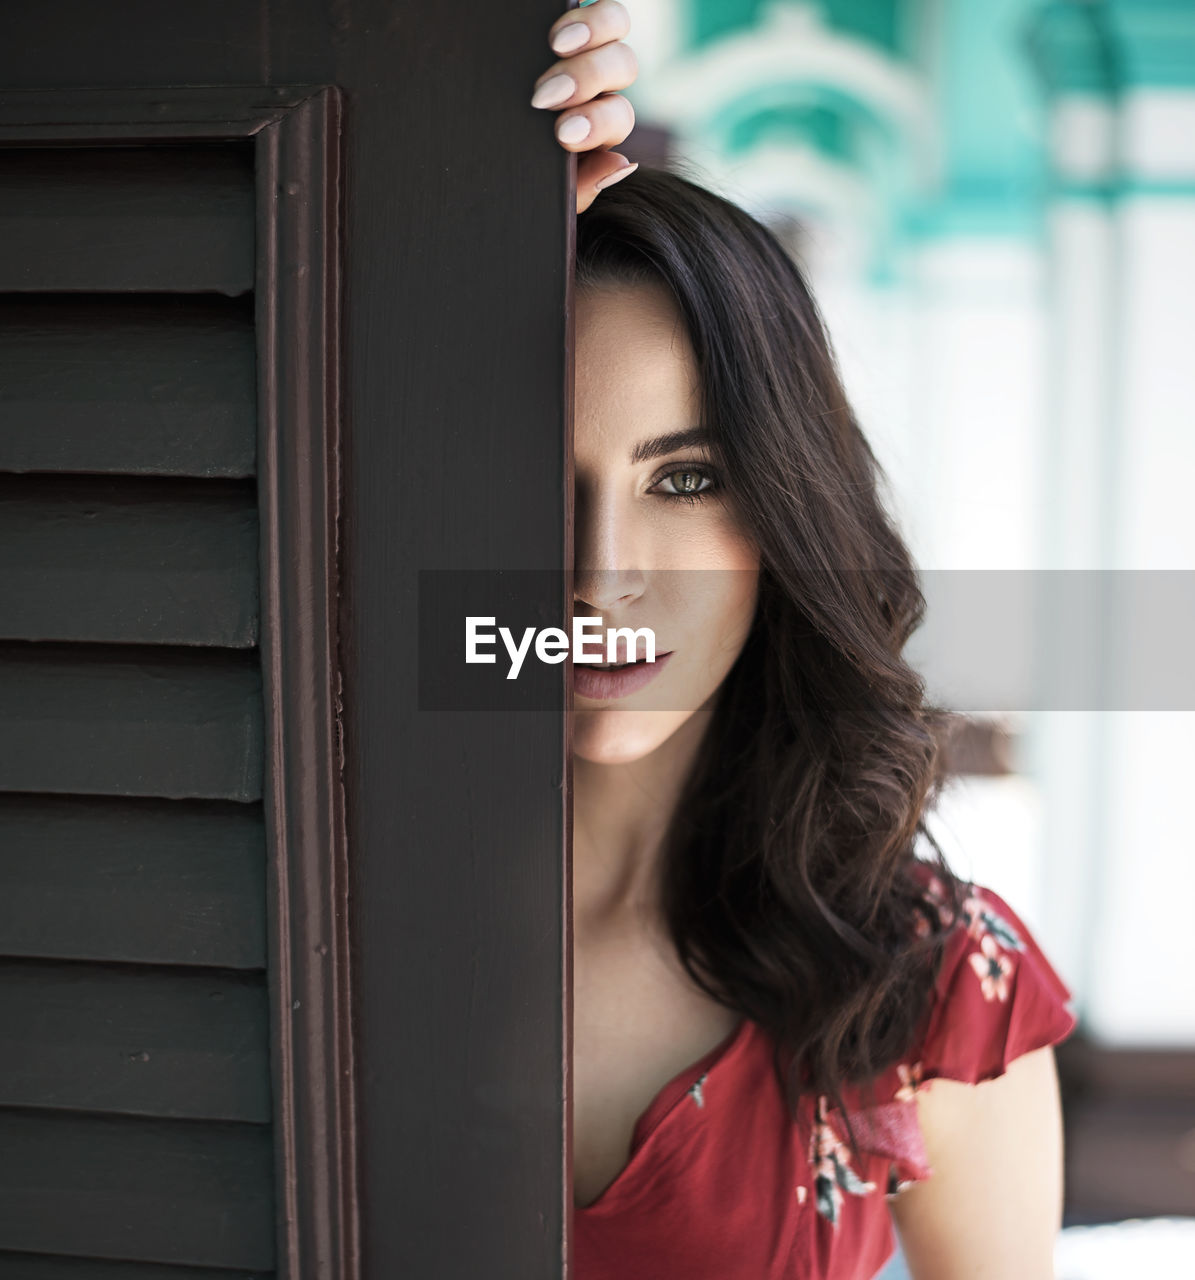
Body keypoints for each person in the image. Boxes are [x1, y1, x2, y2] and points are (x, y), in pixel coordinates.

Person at [532, 5, 1078, 1277]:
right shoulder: (332, 891)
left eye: (685, 481)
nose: (596, 575)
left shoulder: (931, 977)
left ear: (783, 521)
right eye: (535, 482)